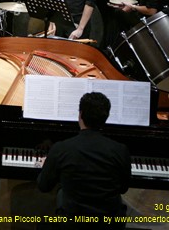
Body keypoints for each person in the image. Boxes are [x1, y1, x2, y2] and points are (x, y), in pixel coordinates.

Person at [37, 92, 131, 226]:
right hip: (108, 223)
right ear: (106, 117)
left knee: (61, 193)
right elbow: (123, 188)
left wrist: (48, 164)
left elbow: (43, 186)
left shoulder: (61, 148)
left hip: (73, 222)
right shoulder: (120, 150)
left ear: (80, 114)